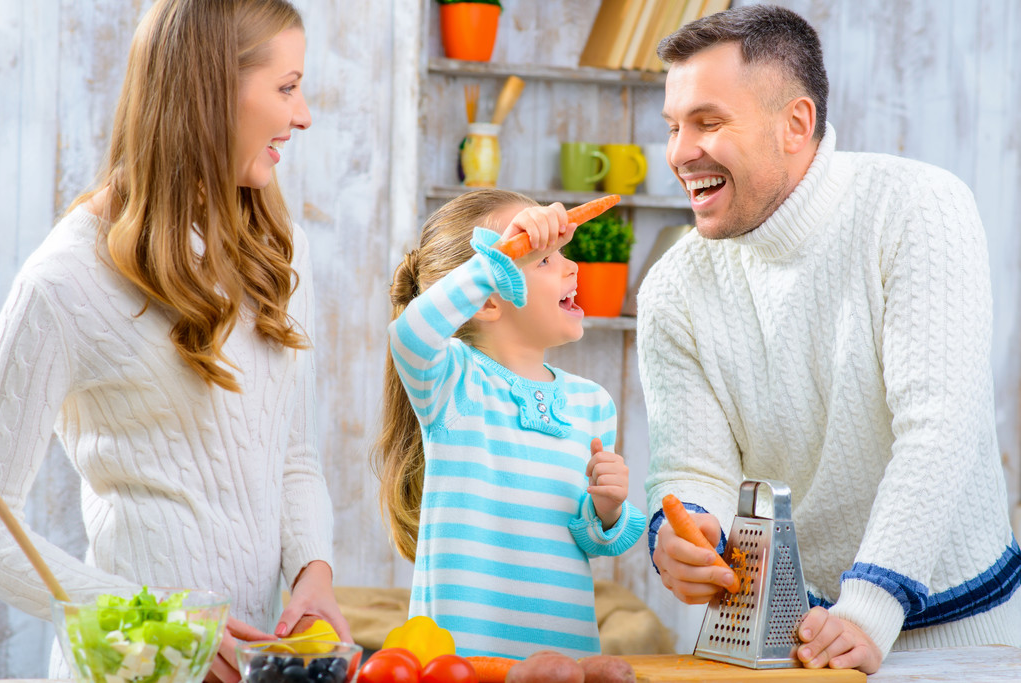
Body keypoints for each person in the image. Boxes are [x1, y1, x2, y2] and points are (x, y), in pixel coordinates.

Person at [637, 4, 1021, 675]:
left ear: (795, 124)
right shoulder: (671, 288)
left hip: (969, 645)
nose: (678, 152)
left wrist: (867, 609)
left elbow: (939, 430)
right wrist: (684, 528)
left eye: (707, 122)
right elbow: (691, 467)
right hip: (802, 647)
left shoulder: (917, 207)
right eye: (673, 127)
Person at [0, 1, 350, 681]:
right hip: (128, 668)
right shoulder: (64, 280)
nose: (303, 115)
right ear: (209, 90)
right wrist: (157, 621)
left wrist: (314, 570)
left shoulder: (279, 251)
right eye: (286, 88)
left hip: (248, 664)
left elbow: (290, 451)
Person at [375, 189, 647, 659]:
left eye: (561, 253)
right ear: (486, 300)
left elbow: (588, 538)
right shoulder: (455, 383)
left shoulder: (592, 404)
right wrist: (494, 263)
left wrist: (607, 509)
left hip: (564, 660)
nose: (571, 267)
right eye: (543, 259)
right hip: (465, 662)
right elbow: (410, 334)